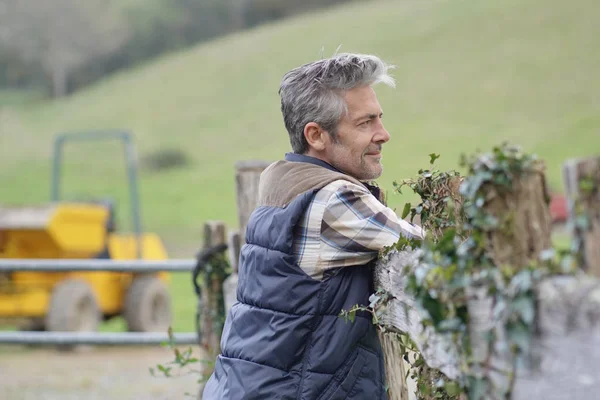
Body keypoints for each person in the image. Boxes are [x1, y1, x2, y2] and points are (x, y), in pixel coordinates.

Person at [202, 53, 425, 399]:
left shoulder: (281, 179)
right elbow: (434, 255)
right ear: (316, 135)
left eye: (379, 118)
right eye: (365, 123)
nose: (384, 134)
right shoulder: (334, 200)